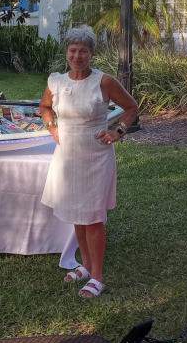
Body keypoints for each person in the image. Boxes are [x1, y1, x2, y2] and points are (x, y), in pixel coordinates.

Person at [39, 26, 138, 299]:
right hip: (67, 158)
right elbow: (44, 107)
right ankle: (85, 266)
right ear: (66, 53)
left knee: (93, 218)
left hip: (96, 157)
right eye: (73, 50)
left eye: (83, 50)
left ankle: (98, 277)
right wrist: (52, 128)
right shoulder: (56, 81)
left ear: (91, 54)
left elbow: (131, 107)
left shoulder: (103, 81)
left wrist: (118, 132)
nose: (77, 55)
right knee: (77, 216)